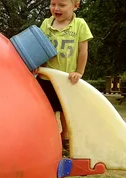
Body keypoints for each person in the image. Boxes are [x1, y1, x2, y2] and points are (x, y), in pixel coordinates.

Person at [36, 0, 93, 156]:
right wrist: (36, 64)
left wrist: (79, 72)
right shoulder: (46, 24)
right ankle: (50, 138)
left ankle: (65, 138)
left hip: (67, 79)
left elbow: (83, 51)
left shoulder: (79, 25)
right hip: (46, 78)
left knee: (66, 112)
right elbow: (38, 46)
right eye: (53, 4)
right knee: (47, 110)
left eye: (62, 5)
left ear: (75, 6)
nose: (56, 8)